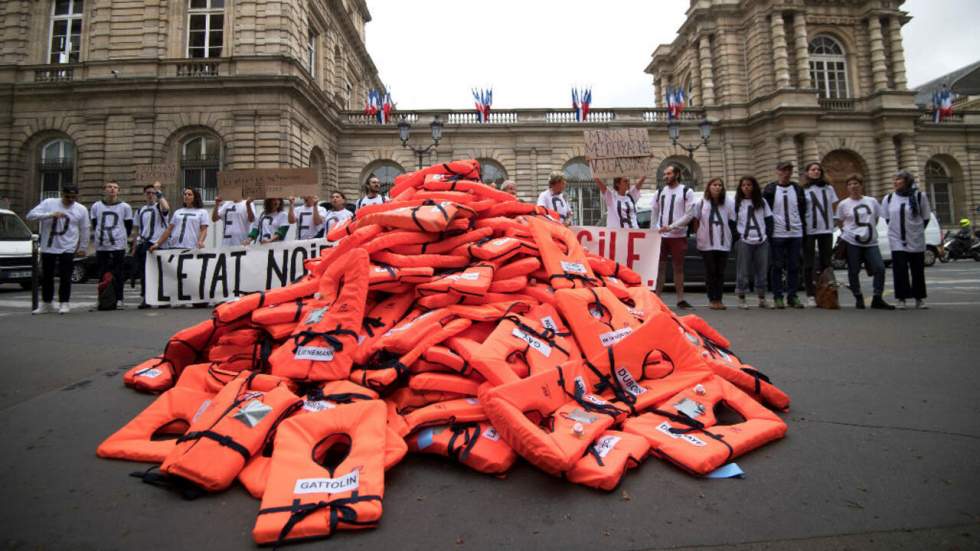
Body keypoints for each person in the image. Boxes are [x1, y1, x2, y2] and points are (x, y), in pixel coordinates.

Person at [662, 177, 736, 309]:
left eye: (720, 185)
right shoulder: (701, 202)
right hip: (707, 242)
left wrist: (731, 236)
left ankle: (719, 299)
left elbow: (732, 220)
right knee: (710, 271)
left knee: (720, 272)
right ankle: (712, 299)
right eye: (714, 185)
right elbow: (694, 219)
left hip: (723, 242)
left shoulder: (728, 202)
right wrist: (698, 233)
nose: (717, 187)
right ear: (709, 187)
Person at [26, 184, 89, 314]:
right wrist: (50, 214)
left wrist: (83, 246)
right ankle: (47, 302)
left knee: (66, 276)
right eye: (68, 197)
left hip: (68, 246)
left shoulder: (81, 209)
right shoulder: (49, 203)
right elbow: (30, 215)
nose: (71, 199)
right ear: (62, 194)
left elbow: (85, 228)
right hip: (49, 245)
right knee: (47, 276)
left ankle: (64, 302)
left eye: (74, 197)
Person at [835, 174, 893, 310]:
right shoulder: (843, 204)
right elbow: (839, 221)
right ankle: (858, 296)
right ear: (847, 188)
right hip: (852, 241)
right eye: (850, 184)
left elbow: (876, 218)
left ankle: (877, 297)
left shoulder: (871, 201)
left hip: (870, 242)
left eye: (856, 183)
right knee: (853, 270)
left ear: (861, 185)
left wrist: (868, 232)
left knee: (879, 268)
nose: (853, 186)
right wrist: (849, 233)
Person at [882, 170, 932, 309]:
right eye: (895, 179)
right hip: (896, 238)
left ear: (907, 182)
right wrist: (897, 230)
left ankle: (919, 298)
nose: (895, 182)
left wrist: (915, 230)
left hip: (915, 238)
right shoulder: (889, 198)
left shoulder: (920, 196)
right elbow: (887, 218)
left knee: (917, 270)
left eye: (899, 179)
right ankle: (901, 298)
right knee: (900, 269)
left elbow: (926, 218)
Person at [763, 161, 806, 309]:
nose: (786, 173)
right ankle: (778, 296)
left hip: (795, 232)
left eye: (789, 170)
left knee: (794, 266)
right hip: (777, 233)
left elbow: (802, 209)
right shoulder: (770, 189)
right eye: (783, 170)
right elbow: (765, 211)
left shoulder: (797, 189)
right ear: (778, 171)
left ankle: (792, 296)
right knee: (777, 266)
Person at [654, 164, 695, 308]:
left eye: (669, 173)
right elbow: (655, 211)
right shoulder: (660, 192)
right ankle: (657, 298)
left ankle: (680, 299)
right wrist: (655, 229)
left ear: (677, 174)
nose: (666, 176)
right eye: (665, 174)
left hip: (678, 236)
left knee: (678, 268)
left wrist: (671, 227)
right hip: (662, 236)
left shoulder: (686, 191)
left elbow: (689, 215)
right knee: (659, 267)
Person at [90, 180, 134, 308]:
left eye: (115, 187)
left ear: (118, 191)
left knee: (118, 272)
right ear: (105, 189)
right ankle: (102, 297)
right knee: (102, 272)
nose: (112, 189)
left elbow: (128, 226)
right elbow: (95, 223)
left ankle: (119, 298)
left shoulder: (125, 207)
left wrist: (120, 236)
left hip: (118, 244)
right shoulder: (96, 206)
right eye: (109, 187)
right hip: (102, 244)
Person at [801, 162, 838, 307]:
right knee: (808, 263)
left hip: (826, 229)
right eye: (812, 169)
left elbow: (833, 206)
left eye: (818, 169)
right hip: (810, 230)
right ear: (807, 172)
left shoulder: (829, 188)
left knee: (826, 263)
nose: (816, 172)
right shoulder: (803, 190)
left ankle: (827, 294)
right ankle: (810, 295)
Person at [733, 176, 773, 309]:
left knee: (762, 271)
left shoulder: (762, 202)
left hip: (761, 239)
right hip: (745, 240)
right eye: (744, 185)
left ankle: (762, 298)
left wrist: (767, 234)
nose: (746, 187)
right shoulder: (737, 202)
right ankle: (741, 298)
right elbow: (732, 221)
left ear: (754, 186)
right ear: (740, 187)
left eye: (749, 185)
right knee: (743, 271)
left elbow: (768, 219)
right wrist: (738, 236)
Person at [132, 182, 170, 309]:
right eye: (148, 193)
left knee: (160, 272)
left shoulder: (159, 206)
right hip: (144, 243)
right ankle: (146, 298)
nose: (150, 195)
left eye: (152, 193)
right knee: (145, 273)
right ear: (144, 194)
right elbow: (136, 230)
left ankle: (162, 298)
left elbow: (166, 208)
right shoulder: (140, 210)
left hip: (158, 243)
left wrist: (159, 193)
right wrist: (134, 246)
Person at [150, 188, 209, 252]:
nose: (186, 196)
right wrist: (158, 244)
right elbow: (169, 229)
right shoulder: (178, 212)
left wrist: (200, 241)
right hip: (174, 246)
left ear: (195, 197)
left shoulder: (202, 212)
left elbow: (204, 230)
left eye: (189, 194)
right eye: (185, 194)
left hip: (190, 246)